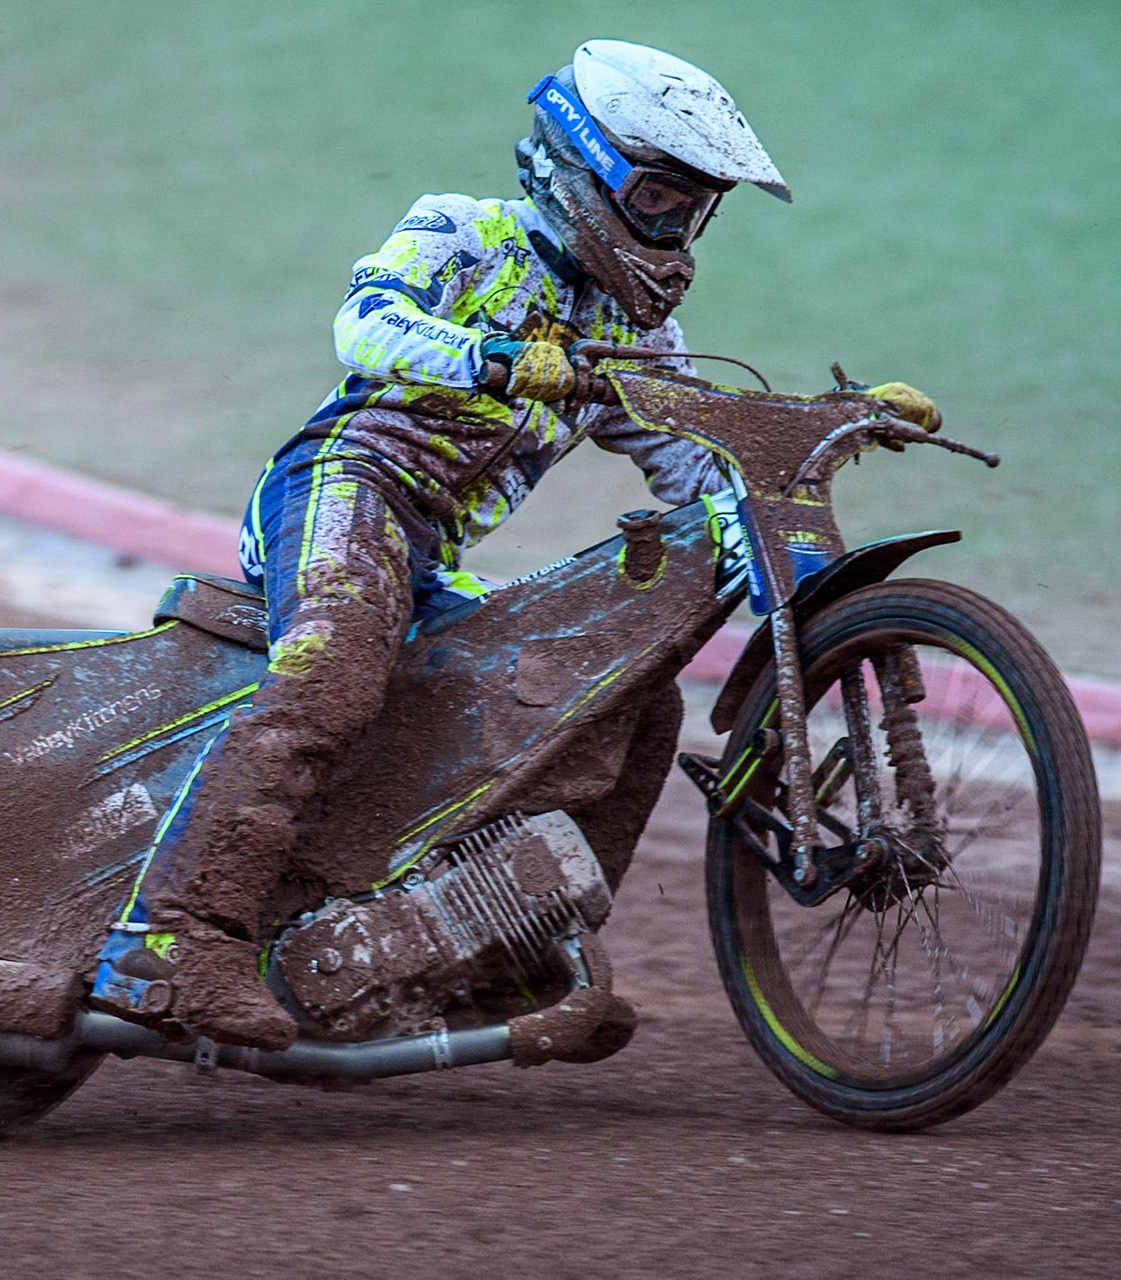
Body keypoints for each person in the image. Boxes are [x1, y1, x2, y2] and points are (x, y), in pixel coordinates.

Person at [91, 40, 935, 1050]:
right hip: (343, 488)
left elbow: (689, 467)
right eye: (662, 201)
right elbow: (363, 328)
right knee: (331, 676)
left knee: (623, 696)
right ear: (585, 168)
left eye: (694, 211)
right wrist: (492, 356)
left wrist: (817, 441)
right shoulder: (464, 229)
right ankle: (166, 937)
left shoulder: (631, 332)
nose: (676, 232)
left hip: (431, 555)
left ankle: (504, 949)